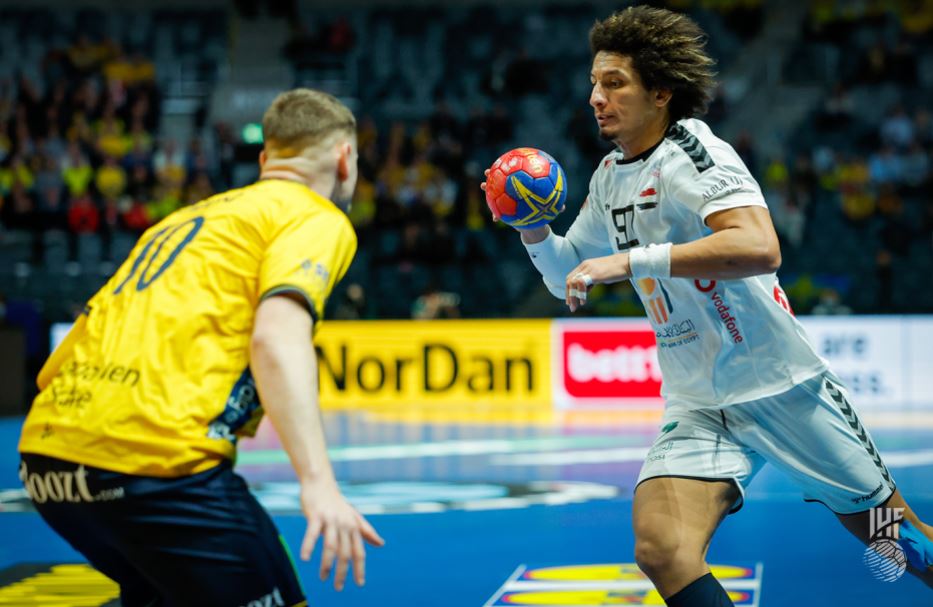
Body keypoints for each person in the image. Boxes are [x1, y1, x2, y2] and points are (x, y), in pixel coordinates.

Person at [484, 7, 933, 606]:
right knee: (662, 548)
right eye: (594, 83)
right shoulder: (610, 176)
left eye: (614, 83)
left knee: (898, 542)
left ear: (661, 93)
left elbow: (759, 246)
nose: (596, 98)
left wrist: (633, 261)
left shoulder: (695, 155)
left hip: (785, 393)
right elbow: (570, 273)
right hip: (700, 406)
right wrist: (531, 228)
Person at [18, 88, 384, 607]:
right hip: (154, 467)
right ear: (345, 159)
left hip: (48, 461)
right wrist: (318, 483)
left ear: (266, 160)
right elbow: (276, 337)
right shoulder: (313, 216)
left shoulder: (181, 222)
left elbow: (61, 360)